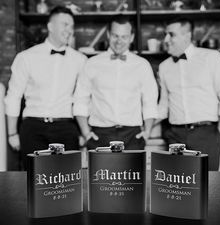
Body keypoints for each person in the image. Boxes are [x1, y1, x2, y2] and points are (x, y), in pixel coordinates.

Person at [4, 6, 87, 170]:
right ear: (50, 26)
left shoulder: (81, 60)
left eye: (71, 26)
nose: (69, 30)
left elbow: (83, 100)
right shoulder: (26, 57)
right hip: (33, 127)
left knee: (67, 182)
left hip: (66, 127)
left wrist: (84, 133)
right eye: (65, 24)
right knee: (34, 181)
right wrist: (12, 133)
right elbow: (13, 96)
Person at [158, 17, 220, 170]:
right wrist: (144, 128)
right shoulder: (164, 66)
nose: (166, 39)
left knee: (208, 185)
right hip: (175, 135)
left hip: (206, 134)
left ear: (187, 35)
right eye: (165, 34)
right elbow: (164, 105)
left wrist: (219, 134)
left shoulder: (211, 57)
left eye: (171, 34)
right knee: (177, 187)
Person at [74, 14, 158, 150]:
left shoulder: (142, 65)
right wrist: (86, 133)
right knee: (100, 172)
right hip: (99, 134)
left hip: (133, 135)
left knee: (133, 172)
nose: (119, 41)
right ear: (108, 35)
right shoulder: (91, 63)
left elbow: (150, 102)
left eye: (124, 37)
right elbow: (80, 101)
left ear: (131, 37)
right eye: (115, 36)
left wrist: (147, 133)